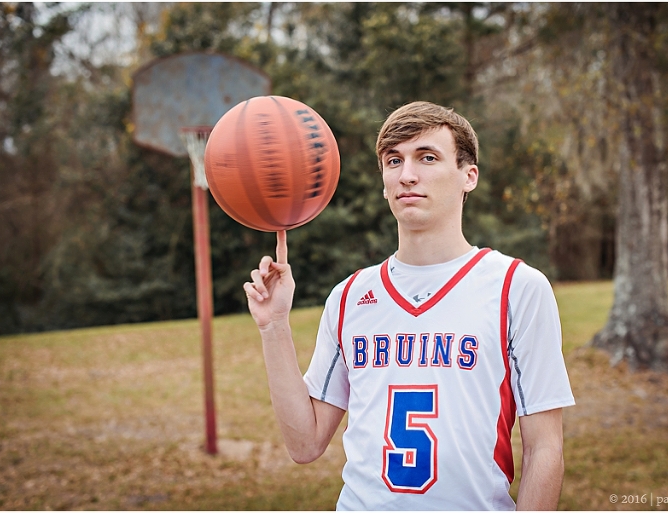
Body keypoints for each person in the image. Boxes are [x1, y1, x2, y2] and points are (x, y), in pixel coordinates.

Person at [244, 101, 575, 510]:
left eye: (428, 157)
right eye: (393, 161)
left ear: (468, 176)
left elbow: (545, 448)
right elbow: (305, 443)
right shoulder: (349, 296)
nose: (407, 175)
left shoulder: (516, 287)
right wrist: (274, 325)